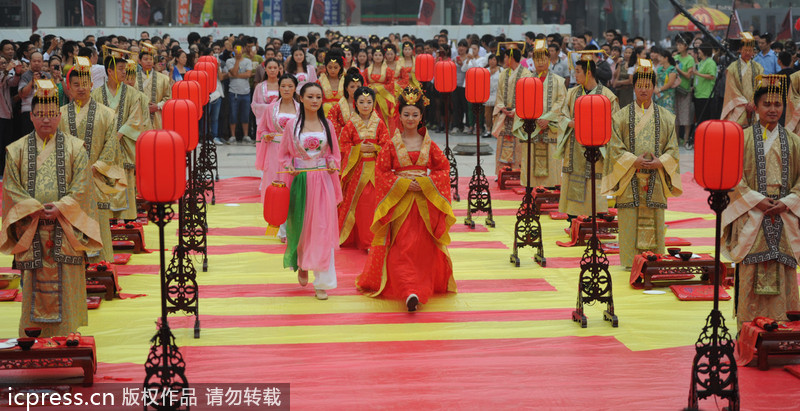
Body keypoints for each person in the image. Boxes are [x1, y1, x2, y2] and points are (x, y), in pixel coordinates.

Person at [0, 79, 102, 337]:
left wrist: (60, 207)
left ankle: (67, 335)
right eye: (40, 115)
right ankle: (32, 339)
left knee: (67, 285)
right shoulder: (16, 151)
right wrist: (33, 208)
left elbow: (83, 186)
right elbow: (11, 189)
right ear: (31, 117)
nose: (46, 120)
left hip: (65, 228)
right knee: (33, 285)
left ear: (59, 116)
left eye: (51, 114)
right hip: (31, 230)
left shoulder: (76, 148)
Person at [356, 86, 456, 312]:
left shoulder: (429, 144)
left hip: (422, 205)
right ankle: (408, 289)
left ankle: (418, 289)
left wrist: (424, 183)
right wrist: (401, 183)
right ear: (399, 115)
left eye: (415, 114)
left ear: (421, 116)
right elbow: (381, 173)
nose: (410, 119)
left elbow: (443, 169)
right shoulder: (392, 144)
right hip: (399, 203)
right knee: (401, 247)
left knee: (421, 248)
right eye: (406, 114)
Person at [722, 76, 800, 328]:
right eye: (767, 104)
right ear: (755, 106)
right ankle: (747, 326)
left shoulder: (795, 141)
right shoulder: (740, 138)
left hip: (785, 213)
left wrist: (788, 201)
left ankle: (785, 329)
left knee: (783, 270)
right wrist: (757, 200)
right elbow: (732, 177)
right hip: (751, 215)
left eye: (778, 104)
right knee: (750, 269)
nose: (773, 109)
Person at [602, 59, 682, 268]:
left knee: (655, 219)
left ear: (654, 87)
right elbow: (614, 147)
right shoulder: (620, 117)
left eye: (648, 86)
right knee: (629, 218)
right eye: (640, 85)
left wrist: (660, 162)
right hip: (630, 177)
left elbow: (673, 149)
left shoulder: (667, 117)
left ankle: (654, 261)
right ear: (634, 86)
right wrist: (633, 160)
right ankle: (629, 260)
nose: (644, 89)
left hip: (656, 178)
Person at [279, 82, 342, 301]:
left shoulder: (328, 126)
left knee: (322, 229)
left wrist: (333, 163)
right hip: (301, 182)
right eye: (310, 97)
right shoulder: (292, 126)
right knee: (303, 227)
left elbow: (335, 154)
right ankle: (302, 262)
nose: (315, 101)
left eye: (318, 97)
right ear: (301, 98)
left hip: (323, 181)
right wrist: (289, 166)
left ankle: (323, 281)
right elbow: (284, 154)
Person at [59, 58, 125, 263]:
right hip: (68, 180)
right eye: (76, 84)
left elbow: (111, 145)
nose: (81, 88)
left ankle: (102, 267)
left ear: (92, 85)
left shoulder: (107, 114)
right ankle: (72, 270)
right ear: (68, 87)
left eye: (84, 84)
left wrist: (95, 168)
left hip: (97, 179)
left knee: (99, 226)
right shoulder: (59, 115)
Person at [556, 51, 619, 223]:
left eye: (577, 71)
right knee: (575, 180)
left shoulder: (608, 96)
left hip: (598, 149)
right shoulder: (572, 93)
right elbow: (561, 116)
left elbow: (616, 125)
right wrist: (570, 123)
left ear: (588, 72)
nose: (574, 75)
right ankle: (574, 216)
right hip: (575, 147)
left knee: (594, 181)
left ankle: (597, 213)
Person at [91, 49, 148, 221]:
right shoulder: (96, 94)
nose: (124, 72)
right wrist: (107, 136)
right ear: (110, 71)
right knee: (106, 178)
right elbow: (93, 118)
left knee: (125, 179)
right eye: (121, 69)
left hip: (123, 143)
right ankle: (106, 217)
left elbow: (136, 118)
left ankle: (127, 217)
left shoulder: (133, 94)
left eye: (125, 69)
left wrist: (120, 134)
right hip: (104, 144)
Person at [338, 86, 390, 250]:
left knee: (375, 203)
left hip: (376, 170)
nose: (365, 105)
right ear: (356, 103)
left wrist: (375, 149)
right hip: (357, 170)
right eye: (362, 102)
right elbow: (343, 145)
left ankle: (376, 240)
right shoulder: (351, 124)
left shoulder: (380, 123)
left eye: (369, 102)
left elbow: (387, 145)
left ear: (374, 103)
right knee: (360, 207)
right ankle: (363, 240)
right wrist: (357, 150)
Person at [520, 39, 567, 188]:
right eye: (537, 58)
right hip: (532, 127)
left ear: (549, 59)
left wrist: (547, 119)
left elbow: (562, 102)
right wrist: (533, 118)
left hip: (550, 127)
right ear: (533, 60)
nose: (540, 61)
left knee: (552, 159)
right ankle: (532, 187)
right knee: (531, 158)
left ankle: (552, 186)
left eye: (543, 58)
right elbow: (523, 102)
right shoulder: (526, 80)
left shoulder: (559, 81)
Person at [257, 73, 299, 225]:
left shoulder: (301, 108)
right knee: (275, 183)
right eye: (283, 86)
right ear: (278, 88)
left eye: (290, 86)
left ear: (295, 88)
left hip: (294, 151)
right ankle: (276, 219)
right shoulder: (271, 108)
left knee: (291, 184)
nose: (286, 89)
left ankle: (291, 221)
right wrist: (266, 135)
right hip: (274, 149)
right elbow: (261, 130)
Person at [492, 42, 532, 175]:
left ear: (510, 58)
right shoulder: (503, 74)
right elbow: (499, 94)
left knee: (518, 144)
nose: (503, 60)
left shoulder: (526, 74)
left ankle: (519, 172)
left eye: (504, 57)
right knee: (503, 142)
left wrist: (516, 111)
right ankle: (501, 172)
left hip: (518, 116)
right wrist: (502, 108)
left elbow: (528, 96)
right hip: (505, 115)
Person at [722, 32, 765, 128]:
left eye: (750, 50)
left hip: (755, 104)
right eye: (745, 50)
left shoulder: (758, 68)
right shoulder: (732, 68)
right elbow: (731, 88)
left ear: (754, 52)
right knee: (738, 129)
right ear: (740, 50)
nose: (748, 53)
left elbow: (761, 85)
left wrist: (754, 101)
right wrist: (744, 103)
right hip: (739, 105)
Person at [252, 58, 282, 169]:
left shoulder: (284, 85)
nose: (273, 70)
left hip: (280, 123)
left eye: (275, 68)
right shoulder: (260, 87)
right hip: (265, 123)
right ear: (265, 69)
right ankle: (265, 174)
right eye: (270, 68)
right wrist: (270, 108)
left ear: (279, 69)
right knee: (265, 150)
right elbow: (254, 105)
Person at [224, 41, 254, 145]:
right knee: (233, 114)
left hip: (246, 92)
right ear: (233, 50)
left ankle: (246, 135)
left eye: (240, 49)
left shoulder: (248, 61)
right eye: (236, 49)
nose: (238, 51)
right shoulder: (229, 61)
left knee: (245, 114)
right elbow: (234, 72)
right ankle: (233, 136)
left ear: (244, 49)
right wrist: (237, 60)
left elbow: (248, 74)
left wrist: (235, 75)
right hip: (234, 92)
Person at [135, 42, 171, 129]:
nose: (148, 61)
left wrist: (158, 106)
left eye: (151, 59)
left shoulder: (164, 78)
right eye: (145, 59)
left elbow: (169, 98)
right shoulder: (133, 78)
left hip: (157, 117)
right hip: (137, 117)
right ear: (139, 61)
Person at [691, 42, 718, 148]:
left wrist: (697, 74)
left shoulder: (710, 63)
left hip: (706, 95)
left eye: (699, 52)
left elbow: (711, 76)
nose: (698, 53)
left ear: (705, 52)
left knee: (705, 119)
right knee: (699, 119)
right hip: (699, 93)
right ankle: (701, 139)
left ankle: (708, 140)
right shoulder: (701, 62)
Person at [365, 47, 397, 134]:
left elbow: (391, 84)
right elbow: (364, 82)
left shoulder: (388, 70)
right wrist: (370, 90)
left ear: (383, 57)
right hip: (370, 98)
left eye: (380, 55)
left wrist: (378, 89)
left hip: (384, 98)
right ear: (372, 56)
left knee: (384, 119)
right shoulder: (367, 70)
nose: (378, 57)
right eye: (376, 55)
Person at [327, 68, 363, 137]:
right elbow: (331, 124)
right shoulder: (338, 107)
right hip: (344, 141)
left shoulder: (367, 105)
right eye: (352, 87)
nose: (355, 90)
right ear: (346, 88)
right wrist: (347, 132)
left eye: (358, 87)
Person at [673, 38, 695, 144]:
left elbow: (688, 75)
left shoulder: (690, 59)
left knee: (685, 116)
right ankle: (676, 140)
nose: (678, 47)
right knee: (676, 115)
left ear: (686, 46)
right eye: (677, 45)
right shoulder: (675, 57)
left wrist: (678, 69)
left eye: (681, 45)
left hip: (685, 90)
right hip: (675, 90)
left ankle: (686, 139)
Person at [317, 49, 345, 116]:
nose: (332, 70)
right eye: (330, 67)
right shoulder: (320, 81)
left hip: (342, 113)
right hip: (324, 113)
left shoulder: (345, 81)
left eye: (335, 67)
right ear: (326, 67)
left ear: (340, 67)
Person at [652, 48, 677, 114]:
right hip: (659, 95)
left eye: (660, 57)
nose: (658, 58)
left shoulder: (672, 69)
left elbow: (670, 83)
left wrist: (659, 89)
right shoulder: (659, 69)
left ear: (666, 58)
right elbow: (655, 81)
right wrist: (656, 89)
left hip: (668, 96)